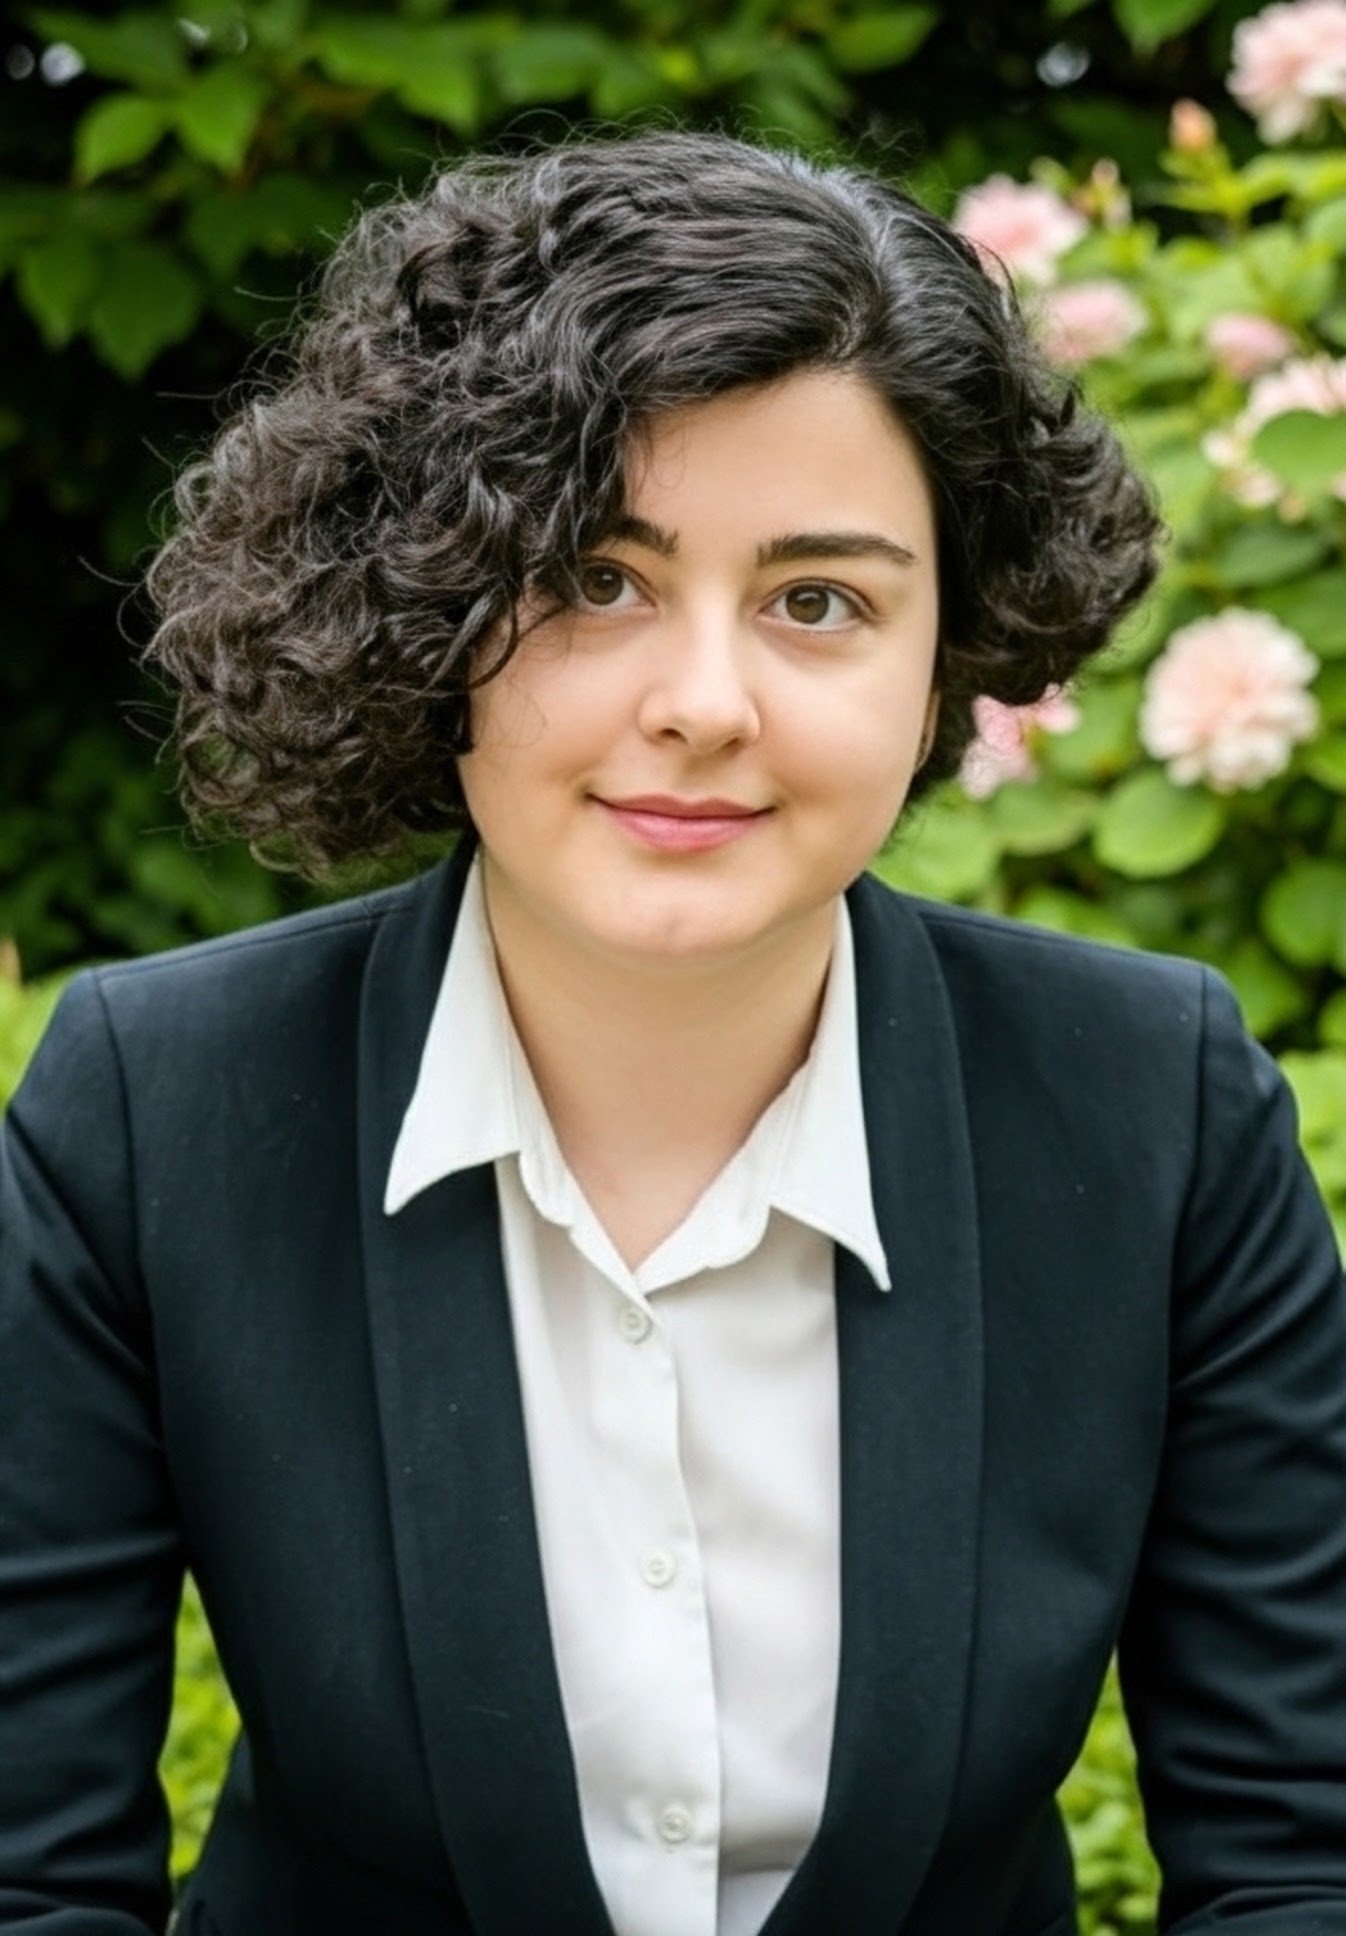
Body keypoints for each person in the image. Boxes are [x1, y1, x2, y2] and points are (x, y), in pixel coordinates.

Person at [2, 123, 1345, 1936]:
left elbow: (1297, 1861)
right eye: (595, 579)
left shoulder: (1159, 1109)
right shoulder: (153, 1109)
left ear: (950, 647)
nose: (703, 704)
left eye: (818, 602)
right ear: (427, 599)